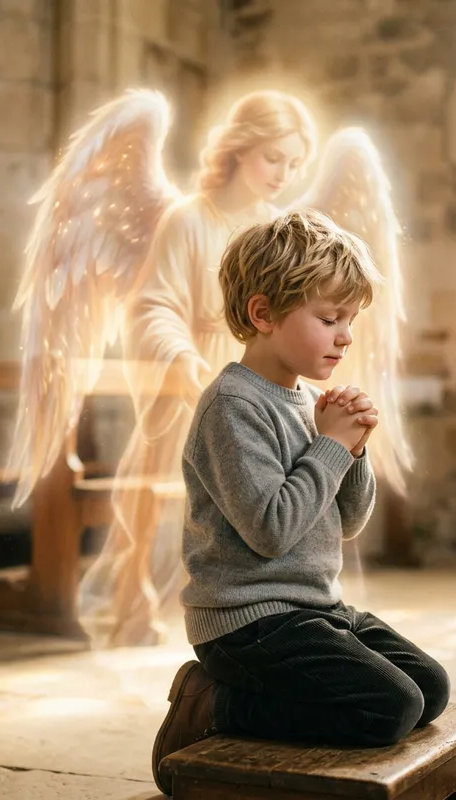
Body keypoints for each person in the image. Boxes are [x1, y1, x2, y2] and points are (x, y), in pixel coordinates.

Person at [151, 209, 450, 796]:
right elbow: (271, 530)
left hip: (314, 608)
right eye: (329, 318)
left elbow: (348, 523)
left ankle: (246, 697)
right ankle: (213, 703)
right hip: (248, 623)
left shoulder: (310, 402)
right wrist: (332, 444)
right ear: (263, 314)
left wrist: (353, 450)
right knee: (388, 708)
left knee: (430, 689)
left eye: (351, 320)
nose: (345, 336)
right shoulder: (232, 407)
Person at [76, 90, 318, 647]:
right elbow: (154, 304)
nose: (283, 175)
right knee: (166, 497)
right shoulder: (188, 219)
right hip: (192, 375)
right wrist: (182, 357)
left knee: (259, 496)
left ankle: (258, 603)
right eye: (273, 158)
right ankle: (139, 600)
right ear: (239, 148)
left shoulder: (279, 231)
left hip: (259, 375)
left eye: (294, 164)